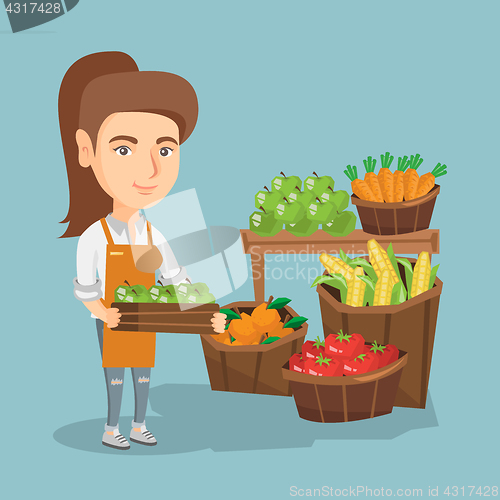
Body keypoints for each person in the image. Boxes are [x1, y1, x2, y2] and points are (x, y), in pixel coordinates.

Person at [59, 51, 226, 450]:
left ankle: (139, 423)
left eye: (165, 150)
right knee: (115, 372)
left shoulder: (155, 233)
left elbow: (176, 279)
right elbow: (85, 287)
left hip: (148, 314)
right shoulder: (93, 236)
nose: (151, 170)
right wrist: (102, 311)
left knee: (144, 371)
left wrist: (208, 315)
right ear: (86, 150)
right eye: (123, 149)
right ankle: (111, 427)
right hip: (114, 318)